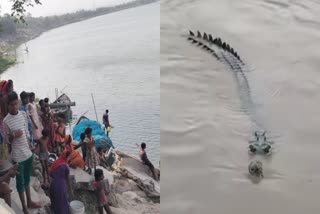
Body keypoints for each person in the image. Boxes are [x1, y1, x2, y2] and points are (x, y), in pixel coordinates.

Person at [3, 92, 42, 213]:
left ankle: (29, 201)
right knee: (20, 183)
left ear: (18, 103)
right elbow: (6, 141)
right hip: (18, 157)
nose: (14, 107)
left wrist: (30, 145)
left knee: (27, 179)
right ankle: (25, 208)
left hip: (28, 153)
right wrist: (13, 135)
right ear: (8, 105)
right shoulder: (6, 121)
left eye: (16, 104)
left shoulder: (24, 114)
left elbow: (26, 132)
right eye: (11, 105)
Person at [49, 150, 73, 214]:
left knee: (55, 201)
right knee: (62, 204)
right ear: (66, 157)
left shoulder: (56, 162)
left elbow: (50, 173)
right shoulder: (66, 166)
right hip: (61, 187)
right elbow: (68, 180)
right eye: (69, 157)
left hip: (53, 185)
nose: (69, 158)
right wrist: (70, 190)